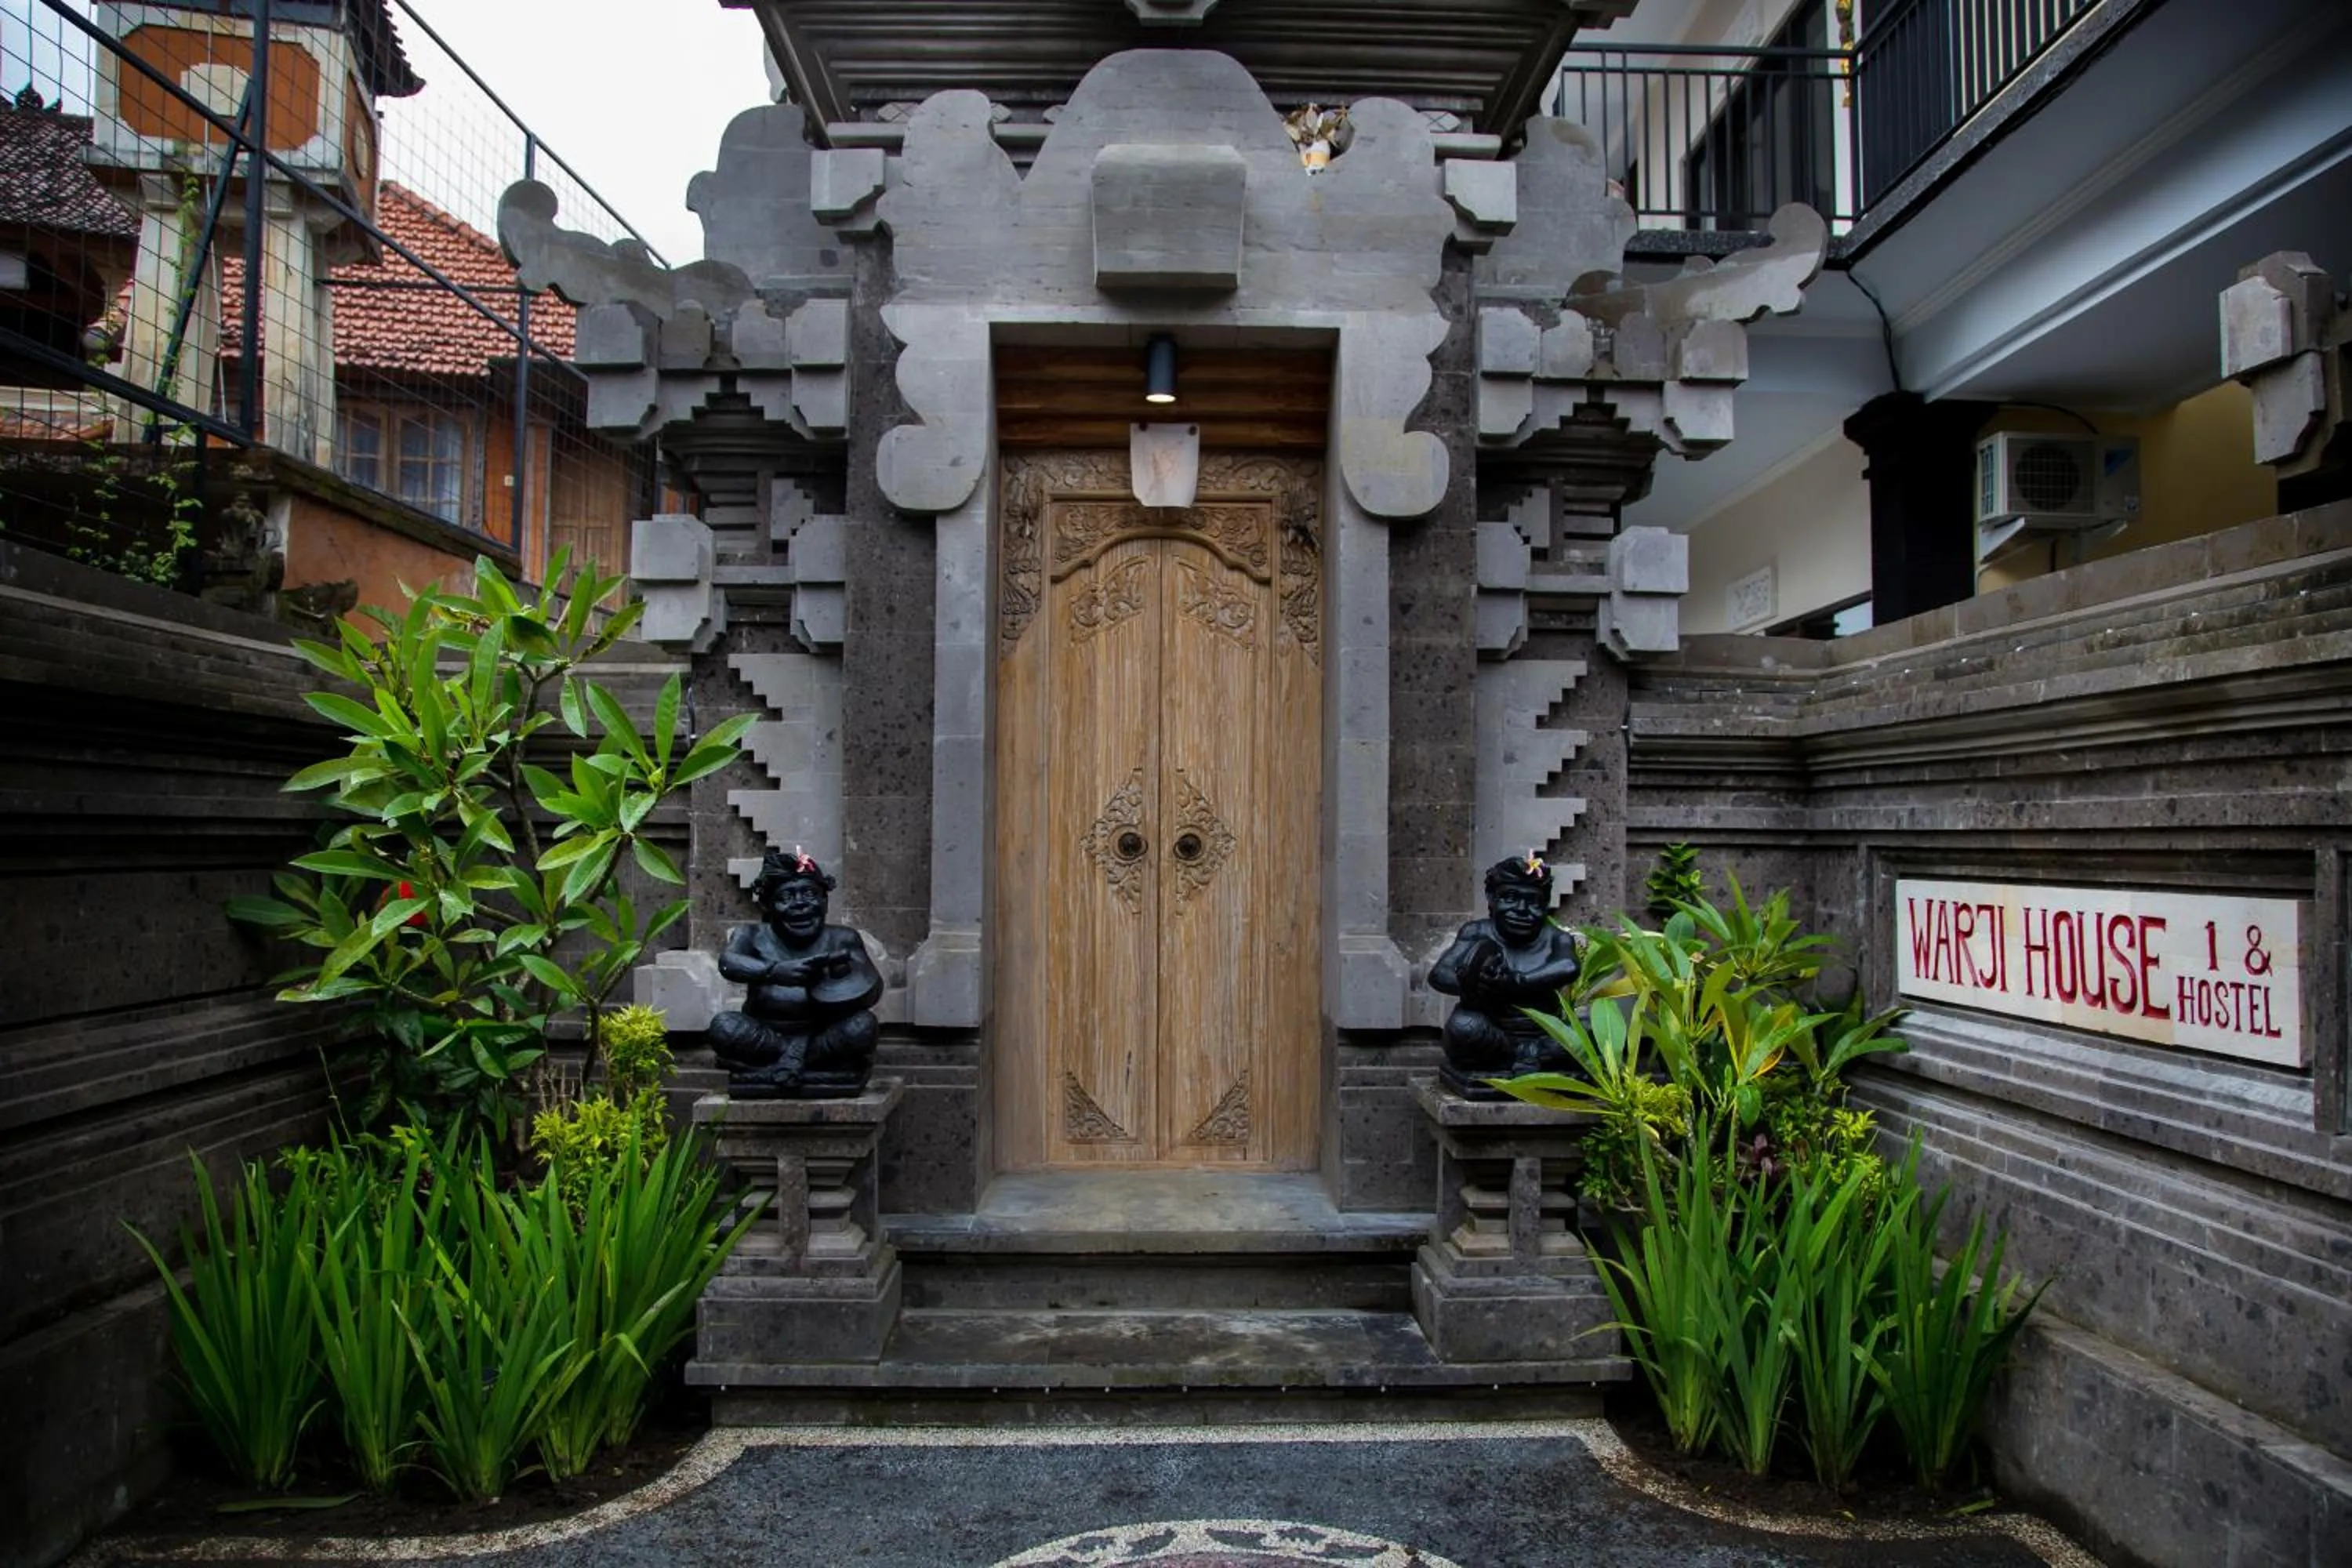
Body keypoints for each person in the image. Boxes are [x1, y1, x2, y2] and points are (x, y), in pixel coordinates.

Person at [708, 847, 883, 1098]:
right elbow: (729, 963)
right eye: (786, 897)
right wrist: (774, 972)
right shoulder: (751, 935)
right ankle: (795, 1055)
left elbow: (872, 990)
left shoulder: (843, 938)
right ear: (768, 905)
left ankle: (793, 1057)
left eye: (810, 894)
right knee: (724, 1026)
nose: (800, 905)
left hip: (823, 1037)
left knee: (863, 1027)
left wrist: (842, 978)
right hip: (766, 1036)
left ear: (824, 900)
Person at [1428, 853, 1581, 1098]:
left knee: (1590, 1031)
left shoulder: (1556, 938)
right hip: (1492, 1033)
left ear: (1544, 904)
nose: (1521, 910)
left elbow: (1569, 966)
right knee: (1464, 1026)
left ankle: (1533, 1054)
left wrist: (1518, 982)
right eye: (1510, 898)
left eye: (1532, 901)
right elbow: (1439, 974)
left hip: (1544, 1033)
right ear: (1492, 898)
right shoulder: (1476, 932)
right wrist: (1474, 981)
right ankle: (1523, 1056)